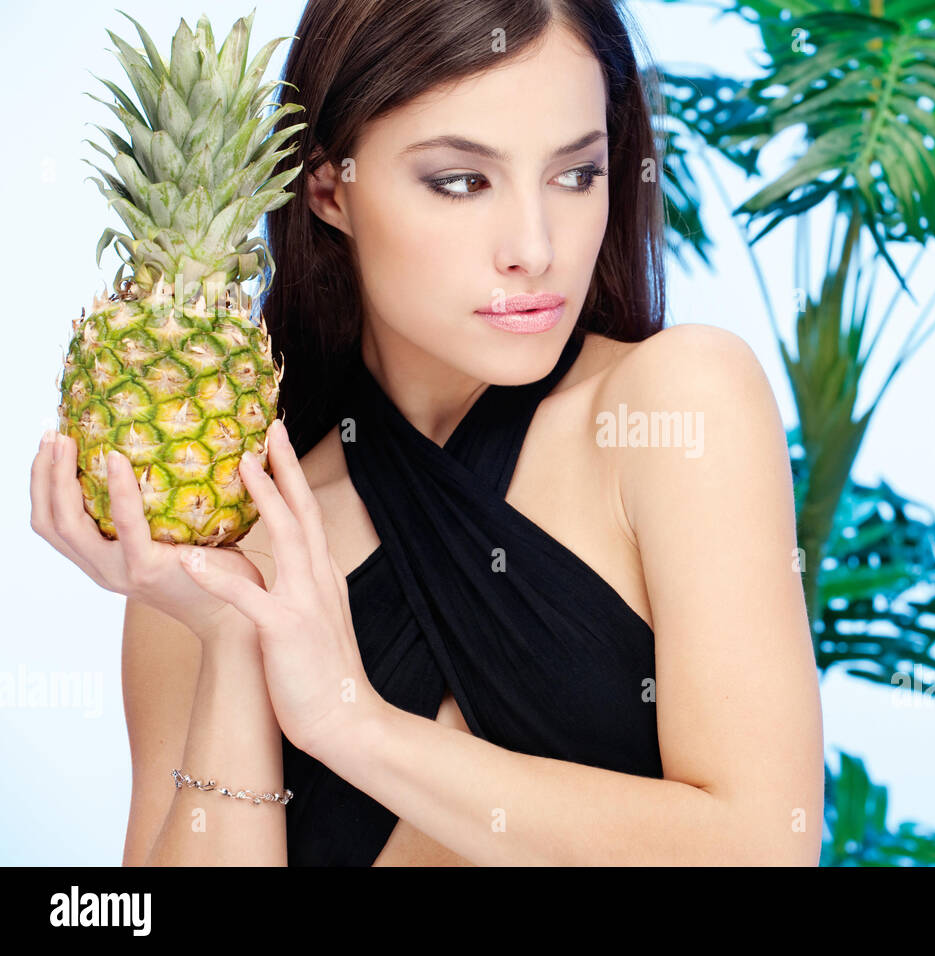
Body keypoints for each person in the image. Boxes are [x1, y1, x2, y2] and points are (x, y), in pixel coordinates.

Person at [30, 0, 823, 866]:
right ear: (329, 187)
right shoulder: (230, 530)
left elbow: (759, 846)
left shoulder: (675, 409)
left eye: (577, 174)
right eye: (461, 181)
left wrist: (351, 724)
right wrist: (227, 636)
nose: (535, 247)